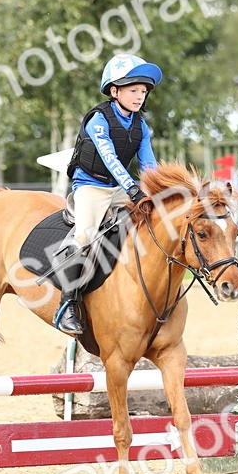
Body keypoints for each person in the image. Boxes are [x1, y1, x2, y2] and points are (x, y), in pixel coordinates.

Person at [54, 52, 162, 335]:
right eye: (133, 90)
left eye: (143, 91)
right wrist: (132, 189)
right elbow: (111, 159)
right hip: (91, 185)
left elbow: (149, 164)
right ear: (114, 91)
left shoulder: (141, 126)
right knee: (84, 237)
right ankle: (67, 306)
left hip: (119, 188)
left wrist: (158, 191)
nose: (139, 97)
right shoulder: (98, 120)